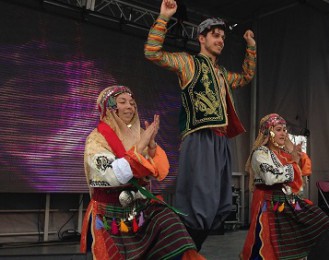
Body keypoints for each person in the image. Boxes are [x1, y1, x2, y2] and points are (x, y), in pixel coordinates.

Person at [144, 0, 257, 251]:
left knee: (219, 205)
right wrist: (164, 16)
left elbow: (247, 76)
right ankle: (177, 252)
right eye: (215, 36)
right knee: (197, 207)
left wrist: (251, 46)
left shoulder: (222, 73)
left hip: (220, 141)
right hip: (200, 138)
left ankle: (188, 252)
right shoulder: (189, 63)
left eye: (223, 38)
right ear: (202, 38)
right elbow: (152, 53)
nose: (221, 40)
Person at [81, 85, 202, 259]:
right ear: (109, 109)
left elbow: (159, 171)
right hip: (109, 214)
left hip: (142, 209)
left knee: (173, 228)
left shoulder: (141, 134)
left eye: (132, 102)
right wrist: (139, 147)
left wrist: (151, 147)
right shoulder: (96, 139)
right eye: (122, 102)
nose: (130, 106)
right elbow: (111, 175)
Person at [240, 113, 329, 260]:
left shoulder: (283, 154)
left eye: (284, 129)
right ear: (269, 132)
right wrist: (292, 165)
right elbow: (270, 177)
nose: (283, 133)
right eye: (278, 129)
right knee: (269, 242)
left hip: (289, 201)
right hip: (268, 202)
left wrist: (295, 160)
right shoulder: (260, 153)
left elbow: (301, 175)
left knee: (320, 221)